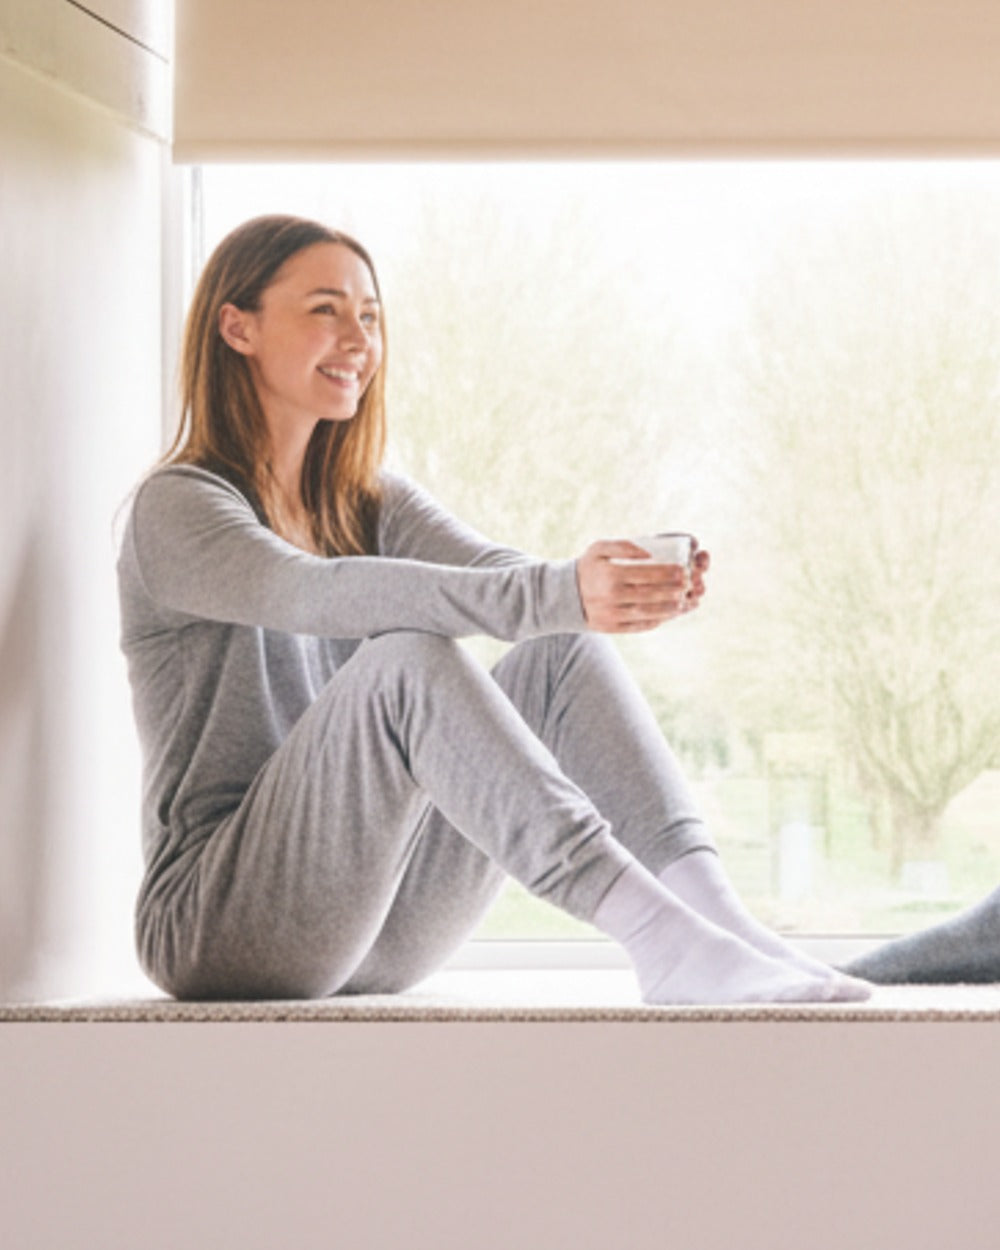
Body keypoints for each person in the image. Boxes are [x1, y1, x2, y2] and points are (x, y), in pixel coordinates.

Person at [118, 213, 870, 1005]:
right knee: (406, 659)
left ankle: (723, 930)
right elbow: (311, 591)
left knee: (560, 650)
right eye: (325, 310)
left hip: (384, 922)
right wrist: (559, 592)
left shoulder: (368, 500)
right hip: (220, 925)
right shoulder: (177, 508)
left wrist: (608, 585)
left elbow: (500, 574)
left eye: (370, 316)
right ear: (237, 327)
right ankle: (660, 939)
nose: (358, 339)